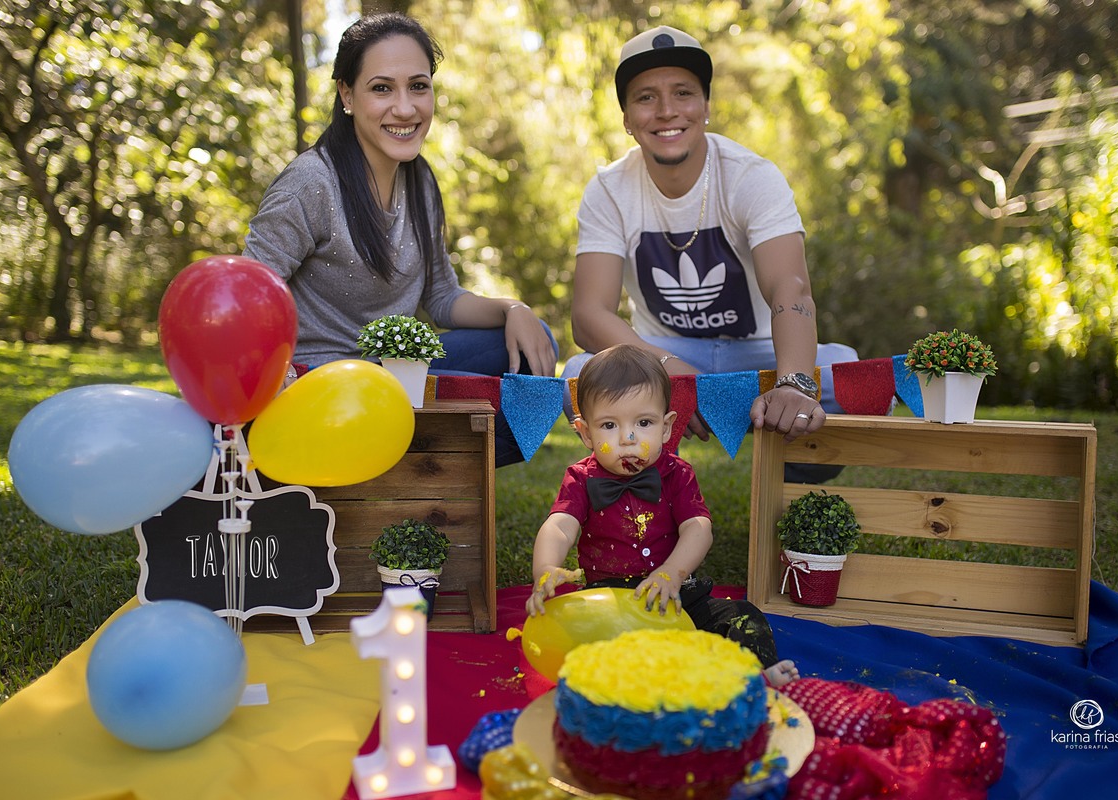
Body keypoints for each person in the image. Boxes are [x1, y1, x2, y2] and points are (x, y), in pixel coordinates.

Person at [243, 12, 557, 466]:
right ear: (347, 94)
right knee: (406, 390)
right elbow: (250, 296)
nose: (406, 108)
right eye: (382, 88)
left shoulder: (421, 181)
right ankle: (395, 465)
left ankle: (429, 473)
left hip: (396, 374)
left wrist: (513, 309)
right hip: (318, 388)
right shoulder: (310, 184)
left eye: (419, 86)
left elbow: (442, 295)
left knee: (531, 343)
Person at [562, 25, 858, 481]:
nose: (666, 111)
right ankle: (639, 503)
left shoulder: (750, 176)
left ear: (705, 106)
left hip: (758, 357)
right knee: (582, 374)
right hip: (662, 357)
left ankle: (796, 484)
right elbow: (588, 315)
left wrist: (793, 382)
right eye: (645, 97)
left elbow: (790, 286)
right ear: (626, 117)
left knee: (844, 367)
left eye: (683, 93)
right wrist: (670, 370)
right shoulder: (608, 189)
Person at [527, 344, 799, 687]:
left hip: (679, 596)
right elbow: (559, 527)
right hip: (613, 604)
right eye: (609, 425)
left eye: (644, 423)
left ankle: (755, 676)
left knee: (742, 617)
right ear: (585, 433)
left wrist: (672, 573)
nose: (628, 438)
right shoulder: (581, 478)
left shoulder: (677, 474)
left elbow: (698, 529)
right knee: (582, 639)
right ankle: (660, 675)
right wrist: (546, 568)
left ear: (667, 427)